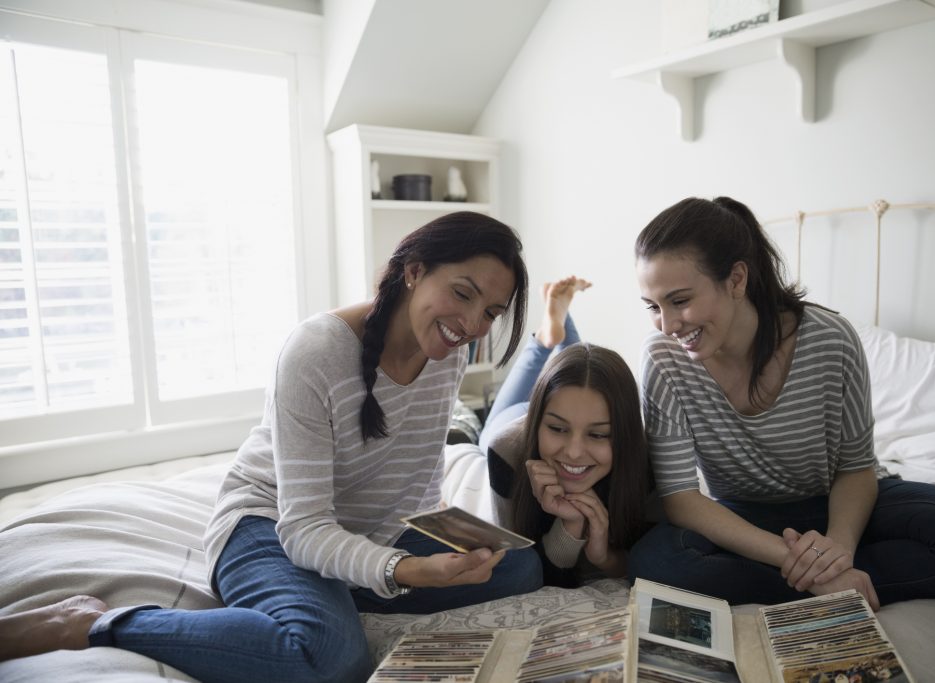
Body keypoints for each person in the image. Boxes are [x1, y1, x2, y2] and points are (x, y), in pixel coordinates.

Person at [0, 211, 543, 682]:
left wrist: (440, 540)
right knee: (328, 660)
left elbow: (419, 481)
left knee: (521, 569)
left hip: (366, 531)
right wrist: (400, 570)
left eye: (492, 313)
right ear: (414, 270)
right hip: (272, 525)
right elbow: (304, 527)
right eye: (463, 294)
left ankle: (342, 589)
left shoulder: (448, 352)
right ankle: (91, 624)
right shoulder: (318, 350)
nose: (472, 325)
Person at [628, 195, 935, 610]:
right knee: (655, 561)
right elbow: (682, 499)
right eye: (653, 307)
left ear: (737, 279)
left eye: (680, 301)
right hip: (747, 520)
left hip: (843, 505)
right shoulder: (663, 359)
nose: (669, 325)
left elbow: (856, 469)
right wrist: (812, 567)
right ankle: (837, 588)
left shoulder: (831, 339)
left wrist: (837, 548)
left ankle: (819, 583)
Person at [484, 277, 650, 586]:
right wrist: (570, 526)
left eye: (599, 435)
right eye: (558, 429)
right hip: (511, 423)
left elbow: (644, 562)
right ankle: (549, 335)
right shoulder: (505, 451)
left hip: (551, 411)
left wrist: (603, 556)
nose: (574, 452)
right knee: (485, 432)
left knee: (581, 373)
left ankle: (553, 330)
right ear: (540, 421)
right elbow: (523, 575)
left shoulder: (647, 457)